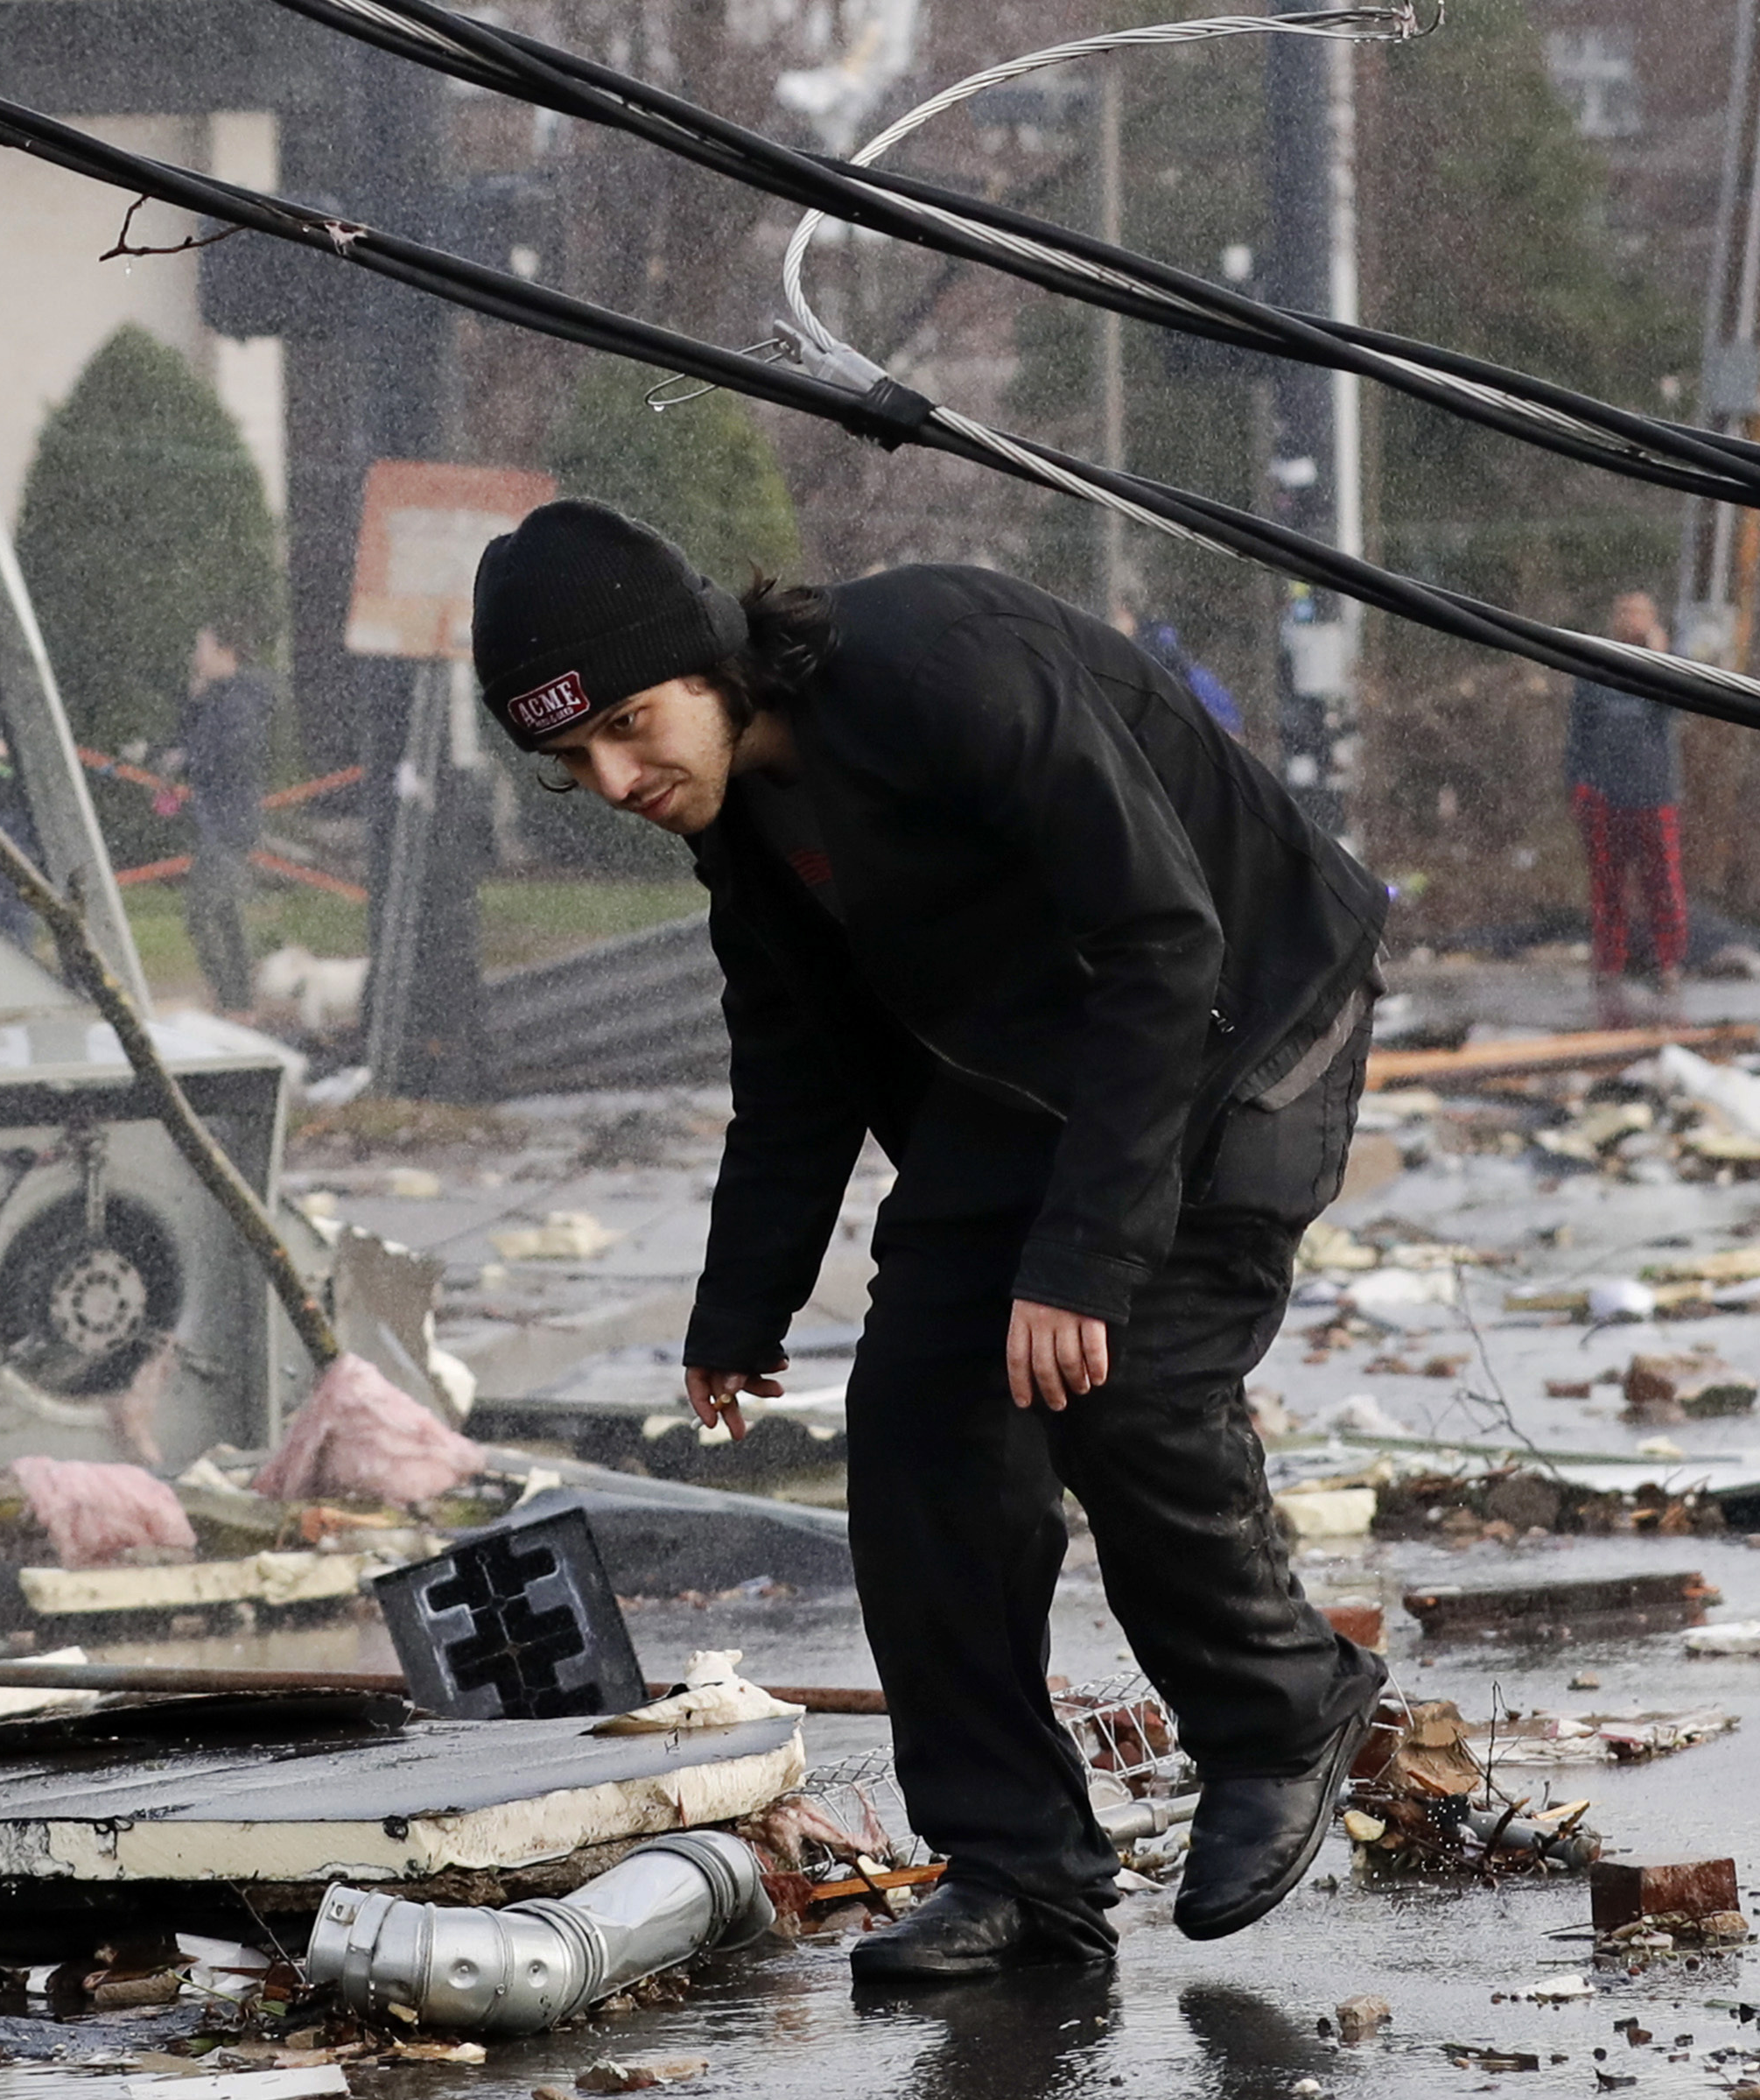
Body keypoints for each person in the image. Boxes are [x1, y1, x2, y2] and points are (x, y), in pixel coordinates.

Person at [470, 503, 1390, 1983]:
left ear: (711, 658)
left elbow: (1164, 941)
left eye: (632, 727)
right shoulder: (745, 826)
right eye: (574, 763)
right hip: (1026, 1071)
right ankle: (1018, 1864)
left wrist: (1082, 1257)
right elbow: (791, 1055)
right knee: (918, 1429)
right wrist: (740, 1300)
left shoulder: (945, 668)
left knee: (1127, 1383)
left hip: (1238, 1013)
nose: (617, 780)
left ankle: (1285, 1709)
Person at [1567, 589, 1688, 1022]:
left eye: (1638, 613)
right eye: (1623, 612)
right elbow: (1577, 733)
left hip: (1654, 791)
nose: (1630, 620)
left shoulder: (1667, 664)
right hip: (1604, 792)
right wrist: (1577, 785)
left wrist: (1663, 657)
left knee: (1663, 884)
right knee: (1608, 887)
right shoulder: (1595, 665)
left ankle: (1669, 962)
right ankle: (1608, 967)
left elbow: (1675, 709)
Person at [172, 625, 277, 1018]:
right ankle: (238, 1000)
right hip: (214, 821)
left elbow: (233, 757)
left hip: (228, 824)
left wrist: (192, 761)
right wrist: (194, 705)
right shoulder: (214, 699)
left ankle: (232, 998)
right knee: (225, 914)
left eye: (203, 648)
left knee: (204, 914)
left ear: (225, 652)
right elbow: (195, 740)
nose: (196, 658)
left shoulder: (239, 703)